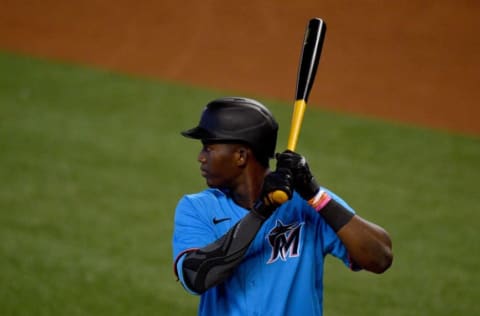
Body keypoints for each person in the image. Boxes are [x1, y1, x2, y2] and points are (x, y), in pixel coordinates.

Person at [172, 96, 393, 316]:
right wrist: (261, 211)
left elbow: (380, 258)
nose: (200, 157)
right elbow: (196, 278)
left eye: (208, 148)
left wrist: (316, 195)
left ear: (240, 156)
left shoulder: (308, 204)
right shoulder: (197, 208)